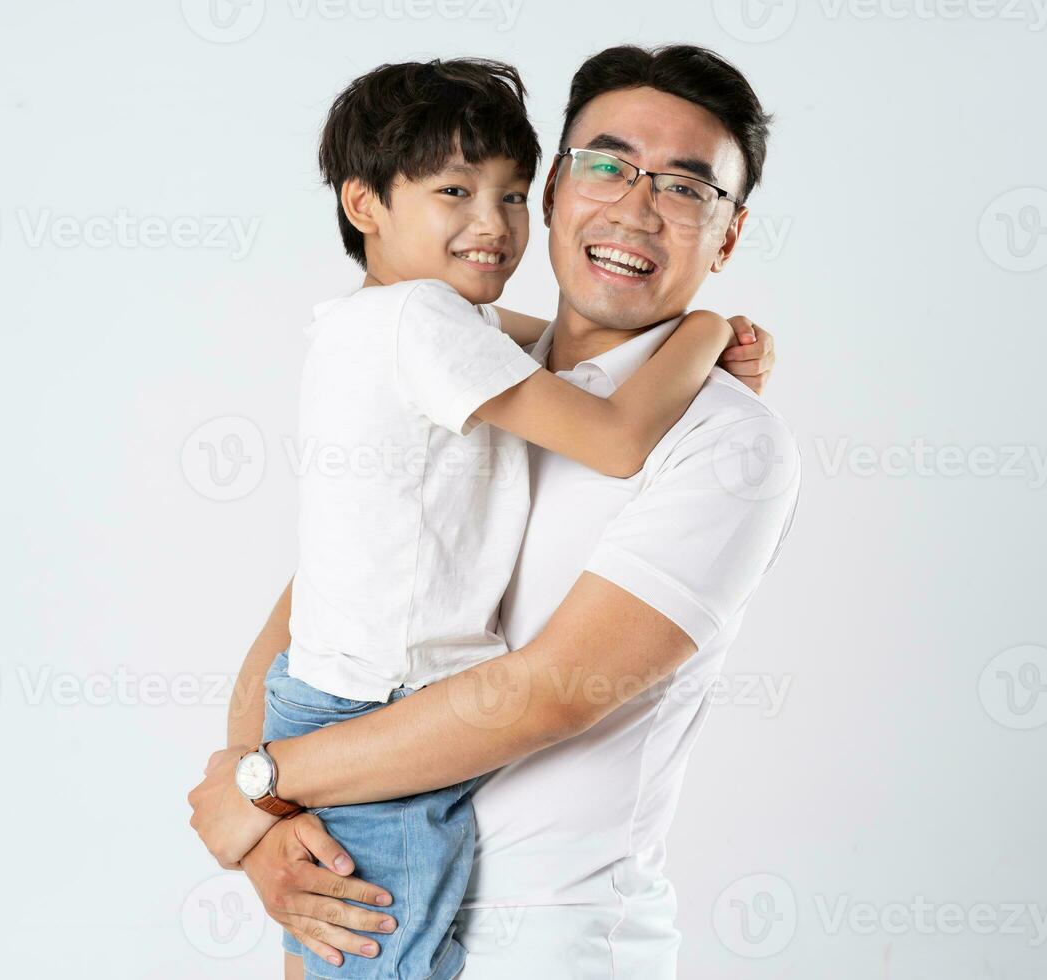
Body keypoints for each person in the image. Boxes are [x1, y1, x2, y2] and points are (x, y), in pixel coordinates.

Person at [189, 44, 796, 978]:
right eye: (608, 164)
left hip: (550, 946)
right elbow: (312, 612)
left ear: (728, 236)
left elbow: (546, 695)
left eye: (685, 188)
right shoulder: (466, 379)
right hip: (361, 892)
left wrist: (263, 781)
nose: (635, 205)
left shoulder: (727, 441)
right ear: (557, 188)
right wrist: (264, 820)